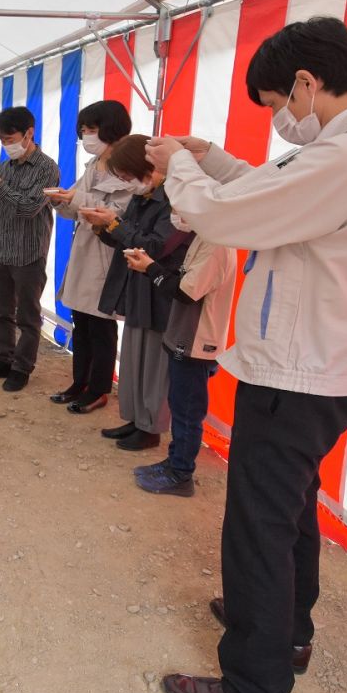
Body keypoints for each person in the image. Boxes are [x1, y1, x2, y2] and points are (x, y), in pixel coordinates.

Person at [146, 17, 347, 693]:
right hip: (326, 367)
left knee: (259, 528)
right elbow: (271, 189)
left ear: (306, 81)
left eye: (276, 105)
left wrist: (178, 161)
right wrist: (212, 155)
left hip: (295, 374)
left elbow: (222, 215)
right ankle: (286, 629)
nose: (280, 121)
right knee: (292, 512)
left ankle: (254, 689)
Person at [85, 135, 192, 451]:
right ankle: (135, 419)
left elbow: (157, 247)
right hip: (136, 287)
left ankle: (151, 428)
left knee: (155, 367)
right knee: (133, 360)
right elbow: (124, 240)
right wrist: (103, 226)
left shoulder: (175, 199)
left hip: (160, 291)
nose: (127, 183)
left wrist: (115, 224)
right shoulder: (143, 196)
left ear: (149, 168)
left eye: (129, 175)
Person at [124, 210, 236, 496]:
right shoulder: (204, 238)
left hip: (196, 341)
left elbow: (186, 292)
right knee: (180, 405)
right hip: (185, 335)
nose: (176, 213)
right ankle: (175, 463)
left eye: (182, 206)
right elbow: (182, 280)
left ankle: (181, 473)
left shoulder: (216, 245)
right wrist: (151, 267)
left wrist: (150, 268)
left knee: (187, 411)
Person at [45, 100, 134, 414]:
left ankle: (98, 388)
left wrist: (77, 198)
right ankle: (78, 382)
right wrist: (61, 200)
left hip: (106, 254)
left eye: (92, 130)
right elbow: (77, 206)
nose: (86, 137)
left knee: (101, 325)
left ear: (111, 129)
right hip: (84, 250)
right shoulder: (93, 165)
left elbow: (117, 212)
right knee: (80, 321)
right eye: (83, 131)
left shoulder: (128, 166)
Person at [0, 106, 60, 392]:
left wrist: (0, 185)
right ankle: (4, 358)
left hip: (30, 252)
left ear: (29, 133)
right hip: (4, 249)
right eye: (2, 140)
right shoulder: (6, 167)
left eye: (10, 138)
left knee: (28, 317)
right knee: (1, 311)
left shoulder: (47, 168)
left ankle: (22, 367)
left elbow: (31, 207)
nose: (7, 144)